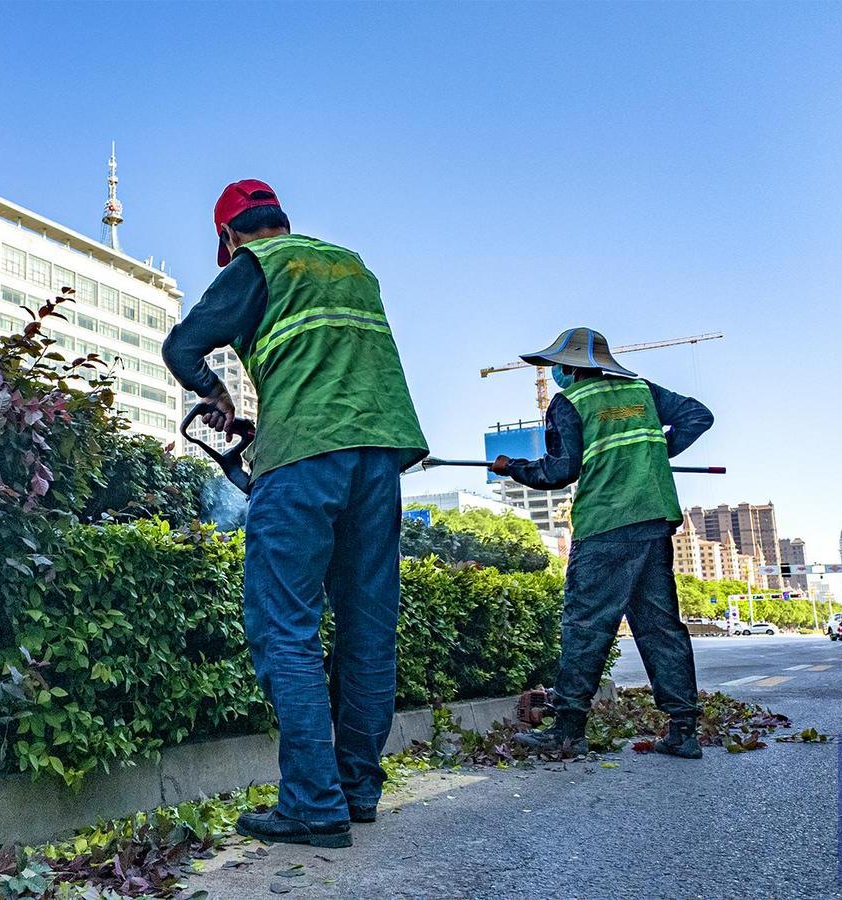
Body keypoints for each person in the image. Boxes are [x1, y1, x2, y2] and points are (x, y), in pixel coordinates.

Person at [162, 180, 427, 848]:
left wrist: (217, 395)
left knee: (285, 625)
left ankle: (312, 803)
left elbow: (181, 348)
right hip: (380, 454)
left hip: (303, 454)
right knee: (368, 627)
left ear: (229, 235)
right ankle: (356, 791)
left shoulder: (255, 264)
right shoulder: (350, 265)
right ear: (282, 220)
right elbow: (331, 367)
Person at [491, 328, 714, 760]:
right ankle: (683, 731)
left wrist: (512, 467)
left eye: (558, 365)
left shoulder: (570, 402)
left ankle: (568, 731)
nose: (555, 372)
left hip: (605, 525)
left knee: (586, 626)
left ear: (570, 366)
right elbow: (698, 416)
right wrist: (655, 452)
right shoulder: (642, 390)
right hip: (653, 520)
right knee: (660, 628)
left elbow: (559, 471)